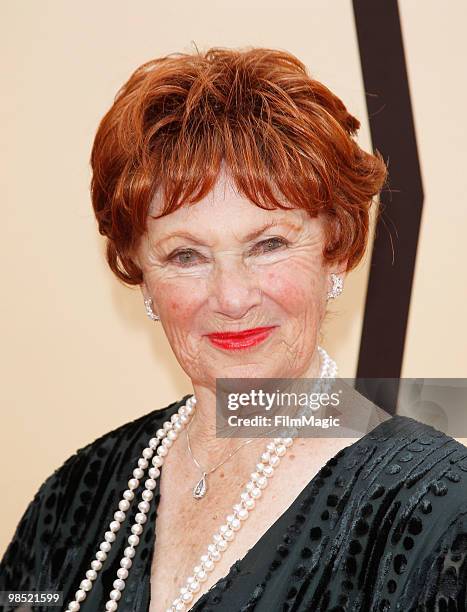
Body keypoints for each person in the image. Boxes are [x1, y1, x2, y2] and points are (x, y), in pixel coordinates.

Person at [1, 46, 466, 612]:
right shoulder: (74, 500)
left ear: (337, 250)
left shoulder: (437, 516)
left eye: (268, 245)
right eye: (186, 255)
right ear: (142, 276)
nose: (232, 297)